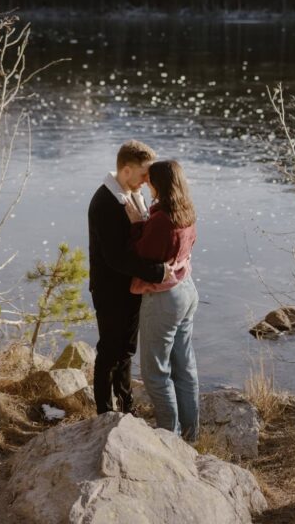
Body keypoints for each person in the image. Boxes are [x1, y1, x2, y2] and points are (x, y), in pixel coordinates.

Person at [88, 139, 170, 415]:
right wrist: (157, 272)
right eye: (144, 173)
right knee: (110, 351)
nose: (147, 180)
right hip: (110, 290)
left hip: (131, 287)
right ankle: (103, 412)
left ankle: (126, 406)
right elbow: (115, 257)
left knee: (126, 351)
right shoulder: (105, 203)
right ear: (126, 171)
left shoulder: (134, 195)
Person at [128, 159, 199, 441]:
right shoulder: (186, 212)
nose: (146, 184)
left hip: (164, 299)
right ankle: (190, 438)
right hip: (187, 289)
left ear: (160, 184)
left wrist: (135, 225)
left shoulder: (161, 220)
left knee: (155, 372)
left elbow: (140, 257)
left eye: (150, 180)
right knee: (184, 367)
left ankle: (169, 439)